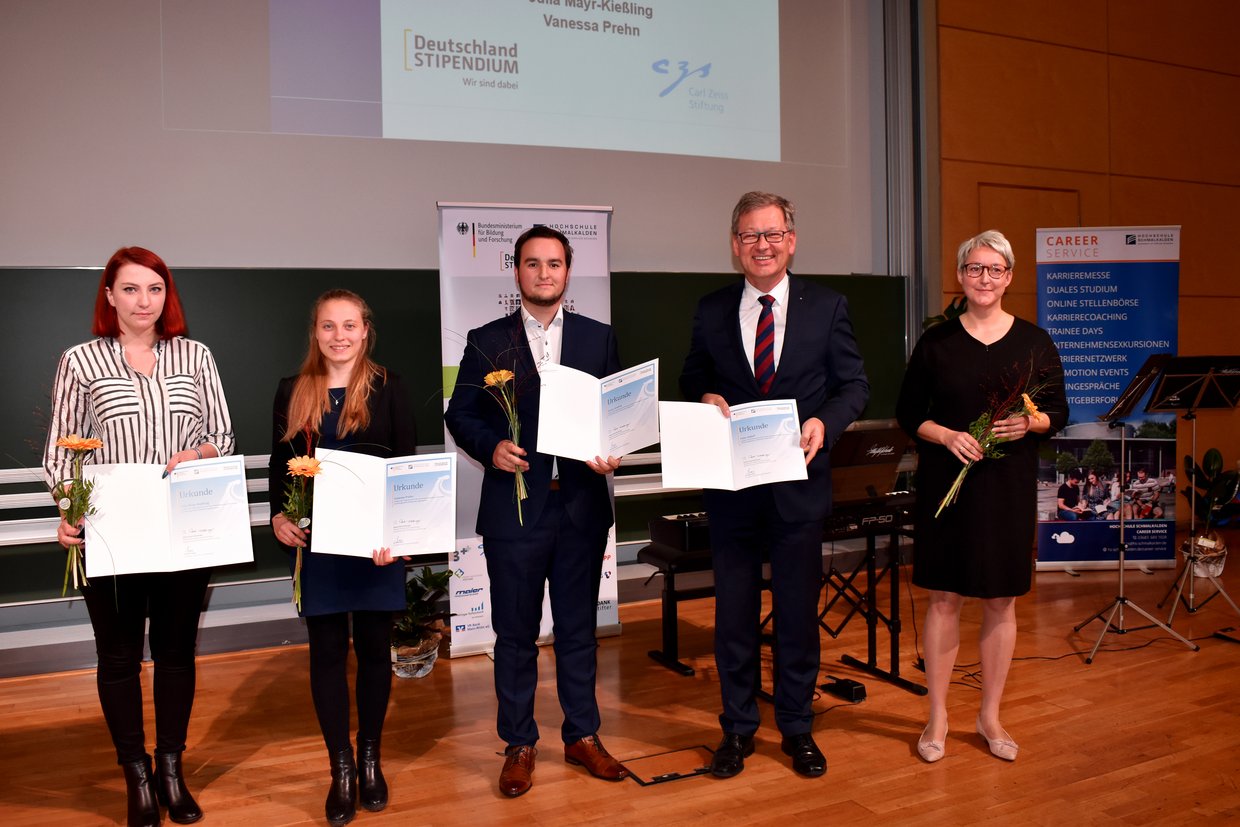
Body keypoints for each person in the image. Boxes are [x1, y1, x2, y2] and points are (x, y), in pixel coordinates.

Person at [679, 191, 869, 779]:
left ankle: (796, 728)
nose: (761, 245)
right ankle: (736, 730)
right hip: (732, 490)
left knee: (795, 616)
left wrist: (824, 423)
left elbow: (854, 387)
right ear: (734, 245)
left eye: (772, 234)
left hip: (798, 488)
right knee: (733, 615)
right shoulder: (712, 309)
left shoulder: (828, 305)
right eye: (749, 235)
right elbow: (693, 378)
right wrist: (706, 397)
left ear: (791, 240)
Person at [43, 246, 235, 827]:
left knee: (176, 654)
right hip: (112, 532)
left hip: (182, 530)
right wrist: (67, 509)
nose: (143, 301)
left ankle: (171, 768)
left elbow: (222, 435)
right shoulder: (80, 361)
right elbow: (60, 450)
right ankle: (136, 774)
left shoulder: (194, 356)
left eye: (154, 289)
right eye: (130, 289)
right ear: (109, 296)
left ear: (166, 295)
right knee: (120, 656)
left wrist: (195, 452)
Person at [444, 226, 629, 797]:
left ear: (568, 272)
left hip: (579, 509)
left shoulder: (600, 338)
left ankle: (583, 737)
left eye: (554, 263)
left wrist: (612, 450)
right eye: (532, 263)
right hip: (514, 513)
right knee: (515, 635)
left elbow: (617, 411)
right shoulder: (486, 338)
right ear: (516, 272)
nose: (544, 273)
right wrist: (490, 447)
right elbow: (461, 414)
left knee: (579, 632)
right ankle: (519, 742)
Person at [895, 229, 1067, 764]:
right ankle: (937, 716)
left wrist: (1032, 421)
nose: (984, 278)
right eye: (975, 269)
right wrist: (945, 435)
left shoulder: (1035, 341)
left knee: (1001, 599)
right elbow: (907, 413)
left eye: (995, 270)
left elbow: (1058, 412)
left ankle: (990, 714)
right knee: (944, 598)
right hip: (947, 485)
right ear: (961, 277)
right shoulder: (937, 342)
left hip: (1008, 488)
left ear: (1009, 277)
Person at [268, 289, 417, 826]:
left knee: (375, 650)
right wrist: (278, 518)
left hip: (375, 548)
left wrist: (397, 533)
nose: (339, 336)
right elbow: (279, 466)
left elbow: (405, 467)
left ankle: (371, 756)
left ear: (365, 330)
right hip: (318, 548)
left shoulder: (389, 387)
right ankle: (342, 768)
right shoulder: (293, 389)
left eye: (349, 325)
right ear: (315, 332)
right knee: (327, 654)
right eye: (328, 326)